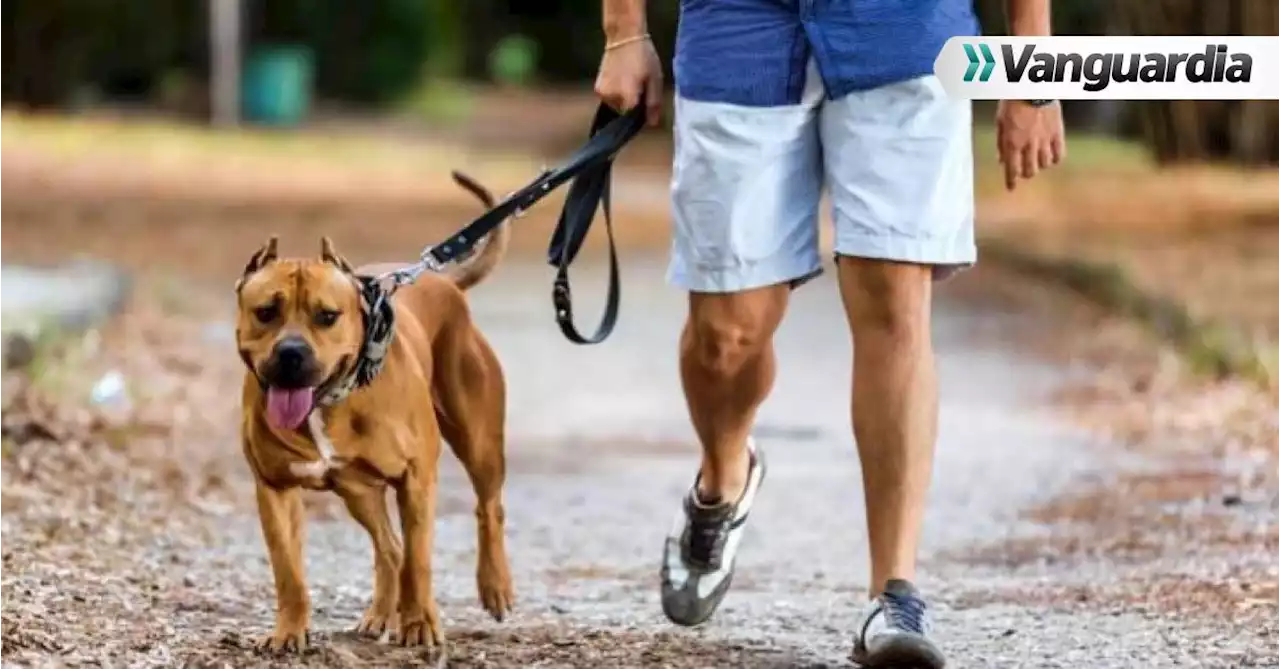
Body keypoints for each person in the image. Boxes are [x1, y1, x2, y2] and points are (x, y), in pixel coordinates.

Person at [594, 0, 1065, 666]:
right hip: (739, 21)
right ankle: (725, 472)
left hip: (907, 28)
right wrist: (624, 30)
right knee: (726, 334)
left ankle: (895, 593)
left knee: (896, 302)